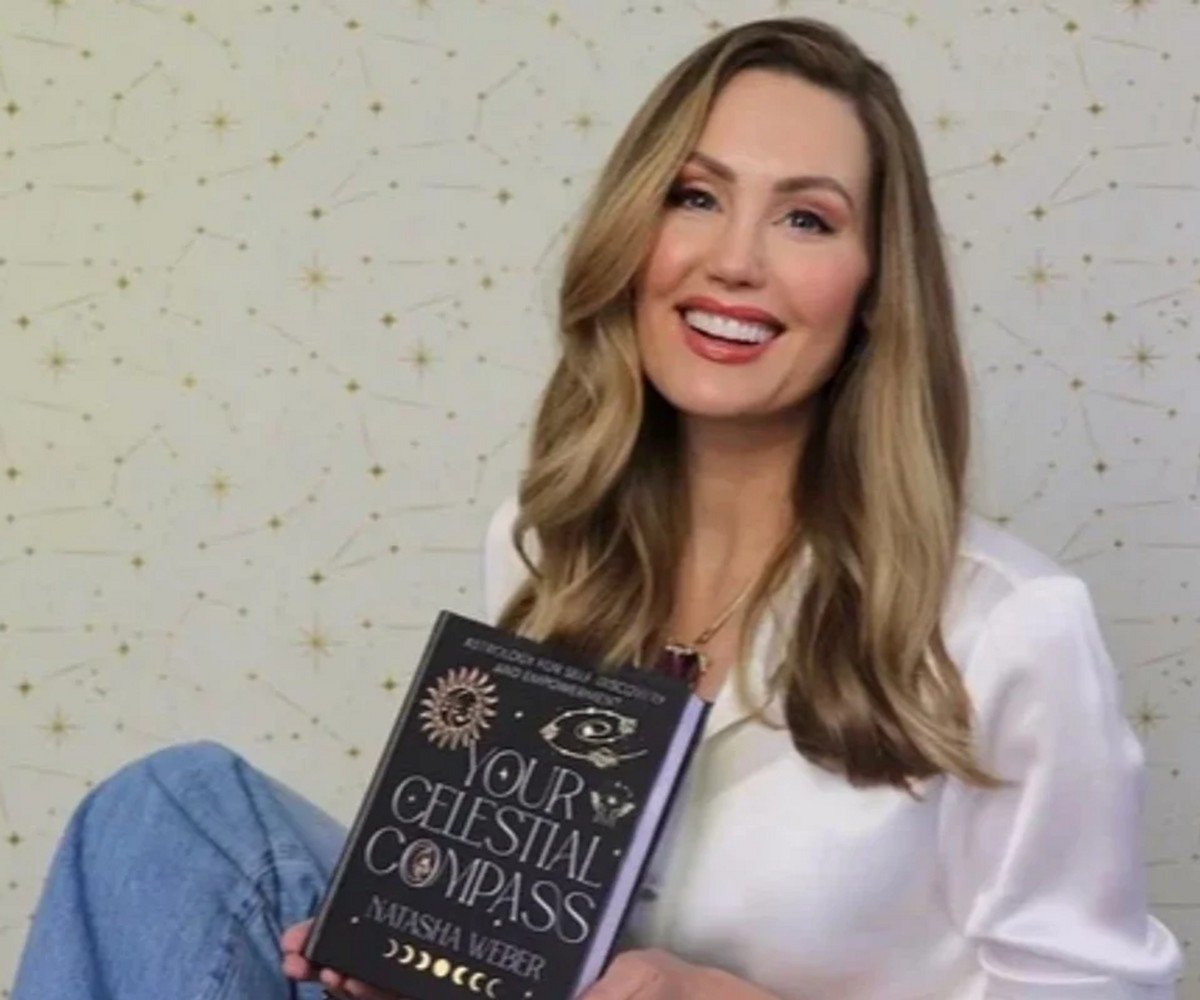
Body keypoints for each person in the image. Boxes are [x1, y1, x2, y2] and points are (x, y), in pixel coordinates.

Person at [12, 15, 1183, 1000]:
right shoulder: (543, 543)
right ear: (635, 234)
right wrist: (415, 956)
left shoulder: (1008, 629)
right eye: (694, 196)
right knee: (173, 809)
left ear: (875, 293)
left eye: (807, 218)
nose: (735, 260)